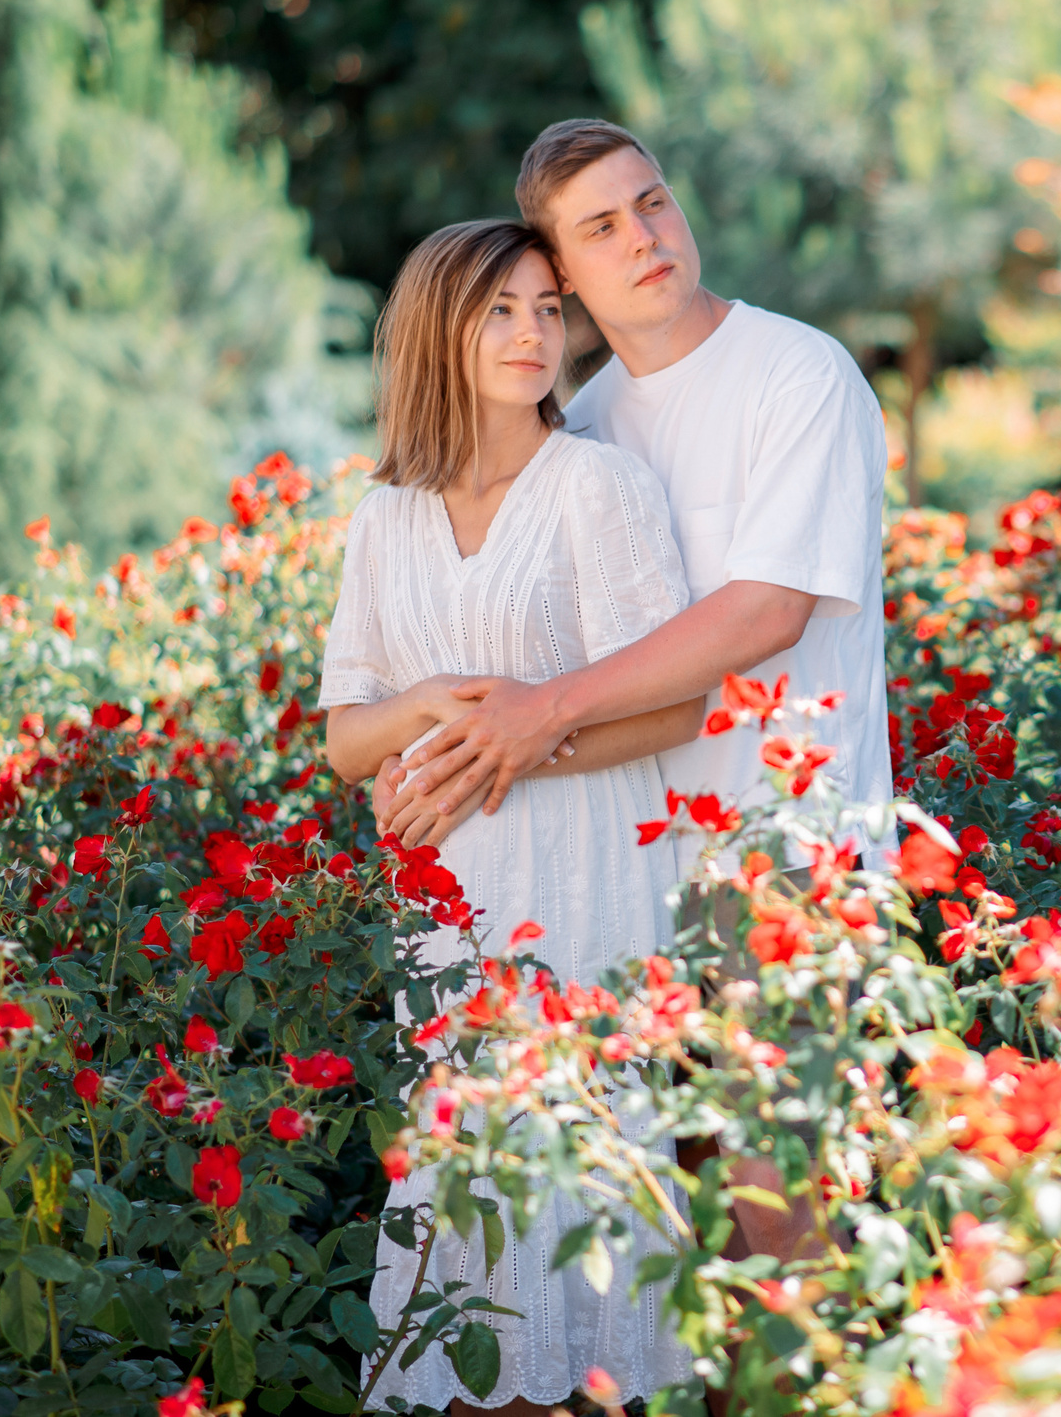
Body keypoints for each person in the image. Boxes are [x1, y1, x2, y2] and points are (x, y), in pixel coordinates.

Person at [377, 118, 892, 1276]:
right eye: (602, 225)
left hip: (781, 858)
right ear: (562, 270)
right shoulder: (589, 426)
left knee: (785, 1214)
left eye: (651, 201)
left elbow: (766, 612)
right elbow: (513, 654)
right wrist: (451, 758)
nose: (645, 236)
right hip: (628, 877)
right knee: (678, 1241)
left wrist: (539, 709)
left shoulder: (796, 373)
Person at [319, 218, 709, 1417]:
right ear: (443, 324)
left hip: (585, 872)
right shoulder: (387, 515)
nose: (534, 332)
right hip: (452, 900)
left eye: (548, 306)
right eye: (501, 308)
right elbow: (344, 737)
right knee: (472, 1199)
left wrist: (510, 750)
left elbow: (679, 702)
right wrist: (430, 704)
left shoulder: (596, 485)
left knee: (574, 1189)